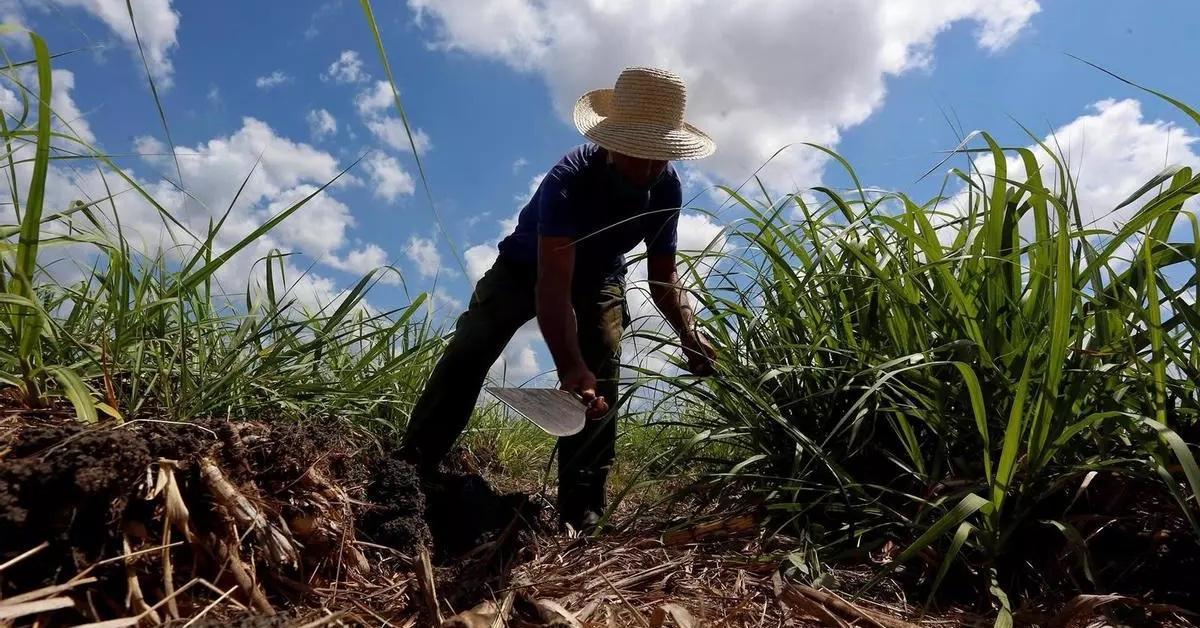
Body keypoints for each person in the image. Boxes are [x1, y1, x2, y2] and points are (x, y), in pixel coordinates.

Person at [399, 66, 717, 531]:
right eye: (639, 155)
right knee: (473, 345)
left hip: (602, 274)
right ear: (612, 143)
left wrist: (689, 334)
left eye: (660, 157)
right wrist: (569, 366)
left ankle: (582, 505)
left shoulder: (666, 187)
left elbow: (663, 275)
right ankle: (412, 467)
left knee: (603, 361)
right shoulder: (570, 179)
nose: (649, 169)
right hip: (525, 268)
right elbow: (551, 286)